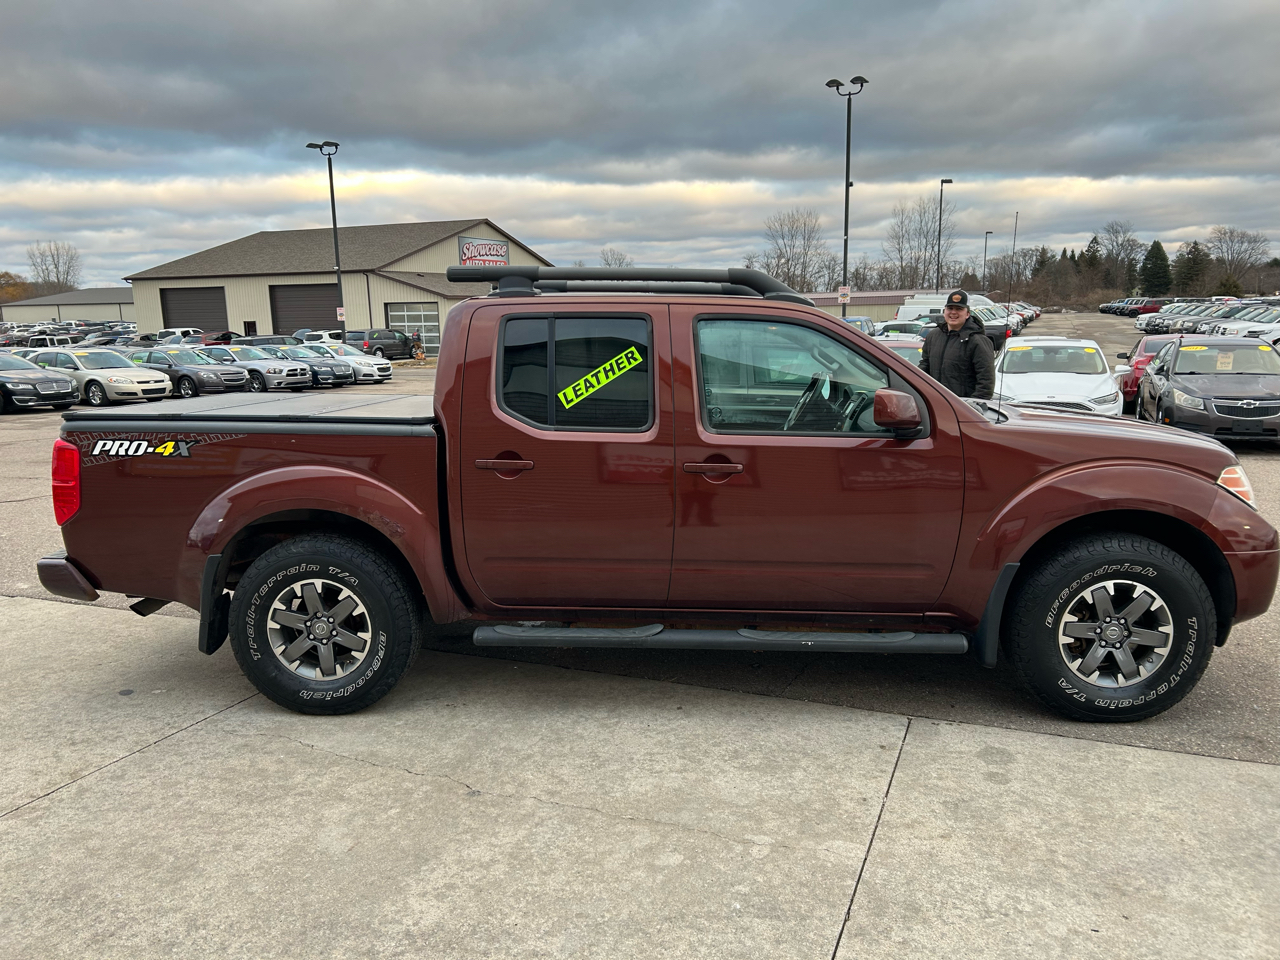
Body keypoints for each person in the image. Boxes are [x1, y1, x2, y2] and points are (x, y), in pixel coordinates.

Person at [918, 289, 995, 399]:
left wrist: (971, 405)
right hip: (935, 402)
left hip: (962, 406)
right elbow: (925, 365)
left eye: (959, 309)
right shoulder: (933, 336)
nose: (953, 312)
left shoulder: (978, 341)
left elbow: (986, 383)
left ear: (967, 314)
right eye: (950, 308)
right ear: (944, 311)